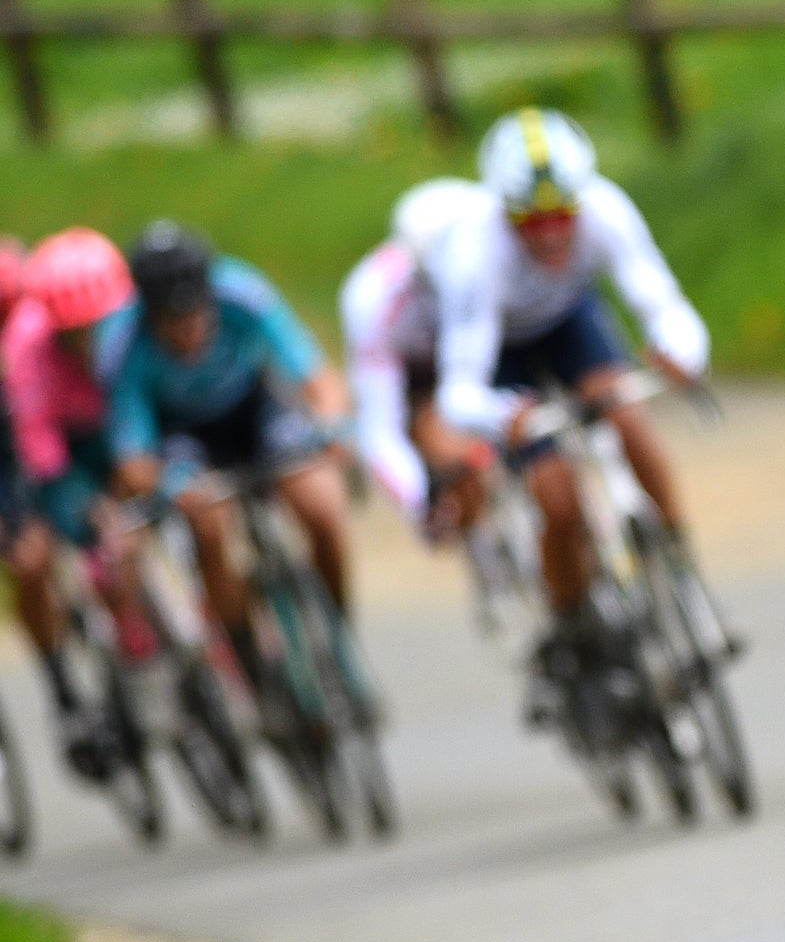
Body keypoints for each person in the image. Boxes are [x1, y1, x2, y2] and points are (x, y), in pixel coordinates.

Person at [427, 108, 710, 693]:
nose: (552, 232)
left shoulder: (605, 209)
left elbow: (661, 302)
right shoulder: (474, 255)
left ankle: (680, 567)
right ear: (507, 213)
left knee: (629, 417)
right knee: (557, 497)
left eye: (563, 215)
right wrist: (506, 414)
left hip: (568, 321)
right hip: (499, 351)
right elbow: (459, 391)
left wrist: (681, 351)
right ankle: (574, 620)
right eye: (533, 220)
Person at [105, 222, 352, 696]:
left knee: (321, 506)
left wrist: (334, 426)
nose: (188, 330)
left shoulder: (241, 293)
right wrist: (172, 488)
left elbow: (314, 373)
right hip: (184, 438)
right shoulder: (123, 345)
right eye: (171, 322)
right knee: (209, 526)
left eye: (195, 314)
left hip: (253, 411)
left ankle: (337, 628)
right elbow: (133, 459)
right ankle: (246, 650)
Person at [2, 230, 137, 775]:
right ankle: (62, 687)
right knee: (29, 560)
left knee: (111, 527)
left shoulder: (31, 328)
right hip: (19, 445)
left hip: (40, 428)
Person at [340, 177, 493, 540]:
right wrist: (420, 499)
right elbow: (379, 428)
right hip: (415, 375)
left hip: (473, 353)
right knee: (450, 452)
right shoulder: (371, 303)